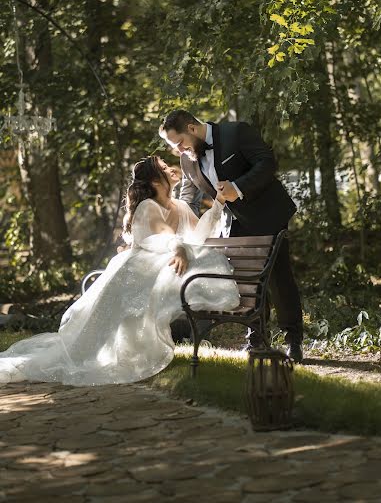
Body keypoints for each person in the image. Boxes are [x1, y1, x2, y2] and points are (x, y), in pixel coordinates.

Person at [0, 156, 239, 386]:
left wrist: (218, 202)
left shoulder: (181, 206)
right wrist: (177, 248)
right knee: (94, 343)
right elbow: (160, 236)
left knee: (202, 259)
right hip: (134, 274)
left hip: (154, 273)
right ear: (156, 181)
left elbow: (198, 235)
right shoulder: (147, 206)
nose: (170, 168)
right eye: (164, 167)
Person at [159, 110, 304, 363]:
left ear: (192, 129)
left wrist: (238, 188)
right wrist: (181, 228)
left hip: (268, 215)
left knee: (279, 280)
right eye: (175, 147)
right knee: (245, 282)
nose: (179, 150)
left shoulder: (236, 132)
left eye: (180, 143)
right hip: (231, 224)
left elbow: (267, 163)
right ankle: (256, 339)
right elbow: (188, 198)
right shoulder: (187, 160)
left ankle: (293, 340)